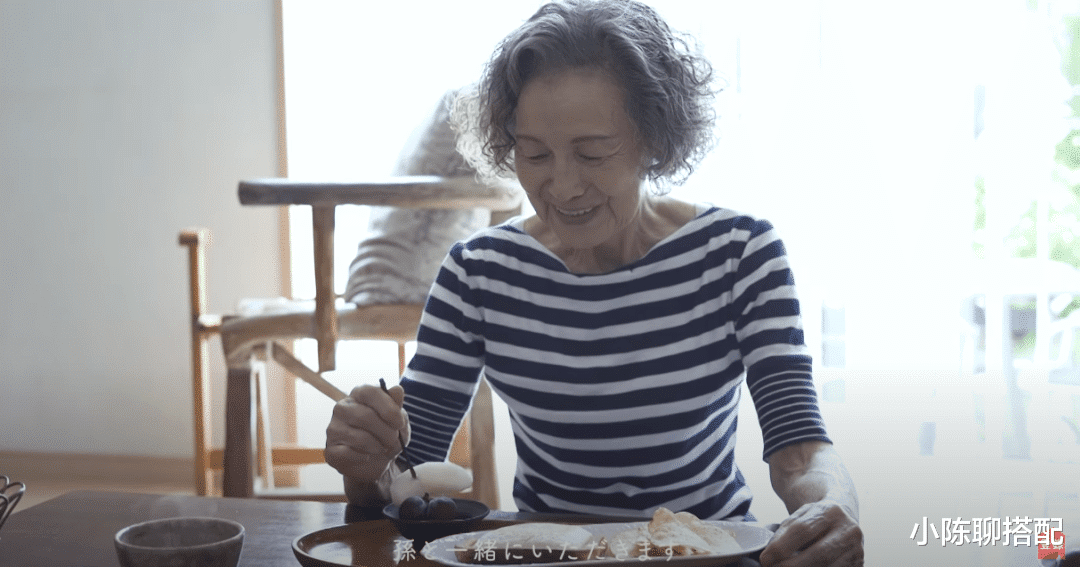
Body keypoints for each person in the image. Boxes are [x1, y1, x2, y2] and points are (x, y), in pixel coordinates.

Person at [325, 1, 864, 565]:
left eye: (592, 153)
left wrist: (836, 506)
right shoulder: (477, 274)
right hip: (549, 555)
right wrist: (366, 469)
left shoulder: (739, 255)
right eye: (534, 154)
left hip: (710, 552)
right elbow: (411, 476)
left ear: (654, 139)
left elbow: (800, 454)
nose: (562, 186)